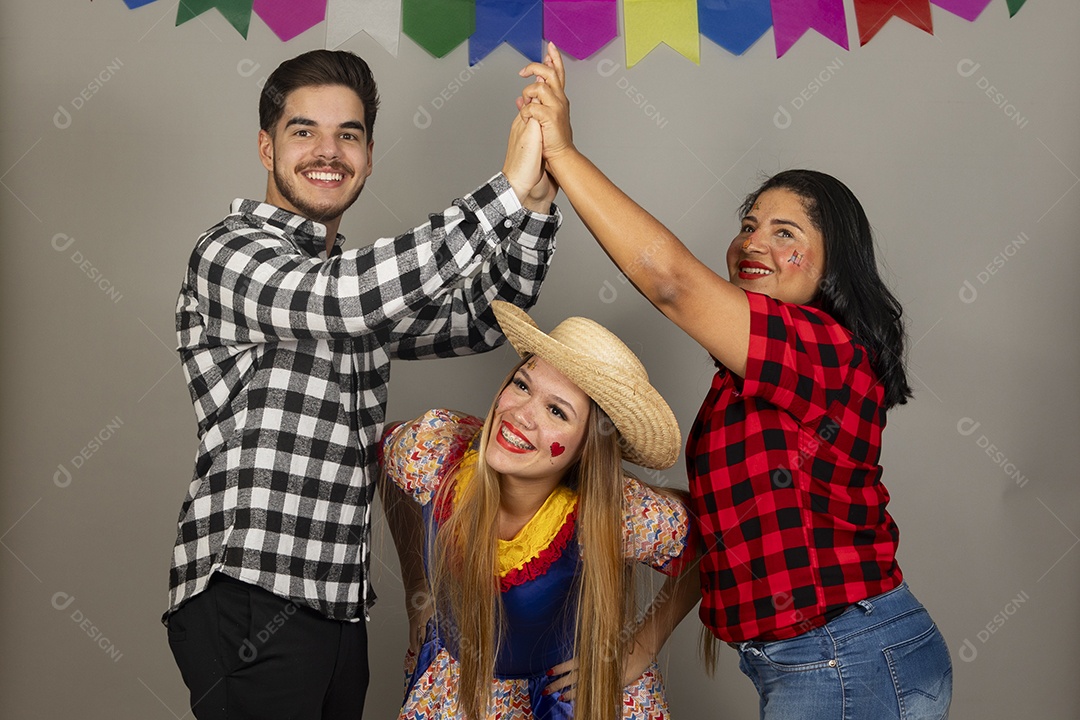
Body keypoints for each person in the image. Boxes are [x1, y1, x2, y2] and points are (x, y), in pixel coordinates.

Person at [519, 44, 953, 720]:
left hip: (852, 657)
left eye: (785, 233)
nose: (754, 243)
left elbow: (671, 283)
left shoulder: (826, 351)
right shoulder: (741, 386)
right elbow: (721, 531)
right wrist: (642, 643)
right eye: (748, 225)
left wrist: (565, 157)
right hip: (814, 662)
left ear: (833, 262)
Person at [165, 49, 560, 720]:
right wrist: (504, 193)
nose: (329, 150)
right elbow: (342, 298)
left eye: (348, 133)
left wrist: (536, 207)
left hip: (339, 610)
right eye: (303, 131)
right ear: (265, 146)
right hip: (251, 595)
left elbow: (484, 321)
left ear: (370, 155)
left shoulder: (357, 281)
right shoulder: (229, 250)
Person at [379, 300, 693, 720]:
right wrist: (418, 589)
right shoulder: (436, 454)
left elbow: (708, 542)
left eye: (557, 411)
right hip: (459, 693)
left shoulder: (609, 514)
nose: (520, 415)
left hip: (564, 702)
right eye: (523, 385)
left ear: (587, 448)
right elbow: (386, 457)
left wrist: (640, 648)